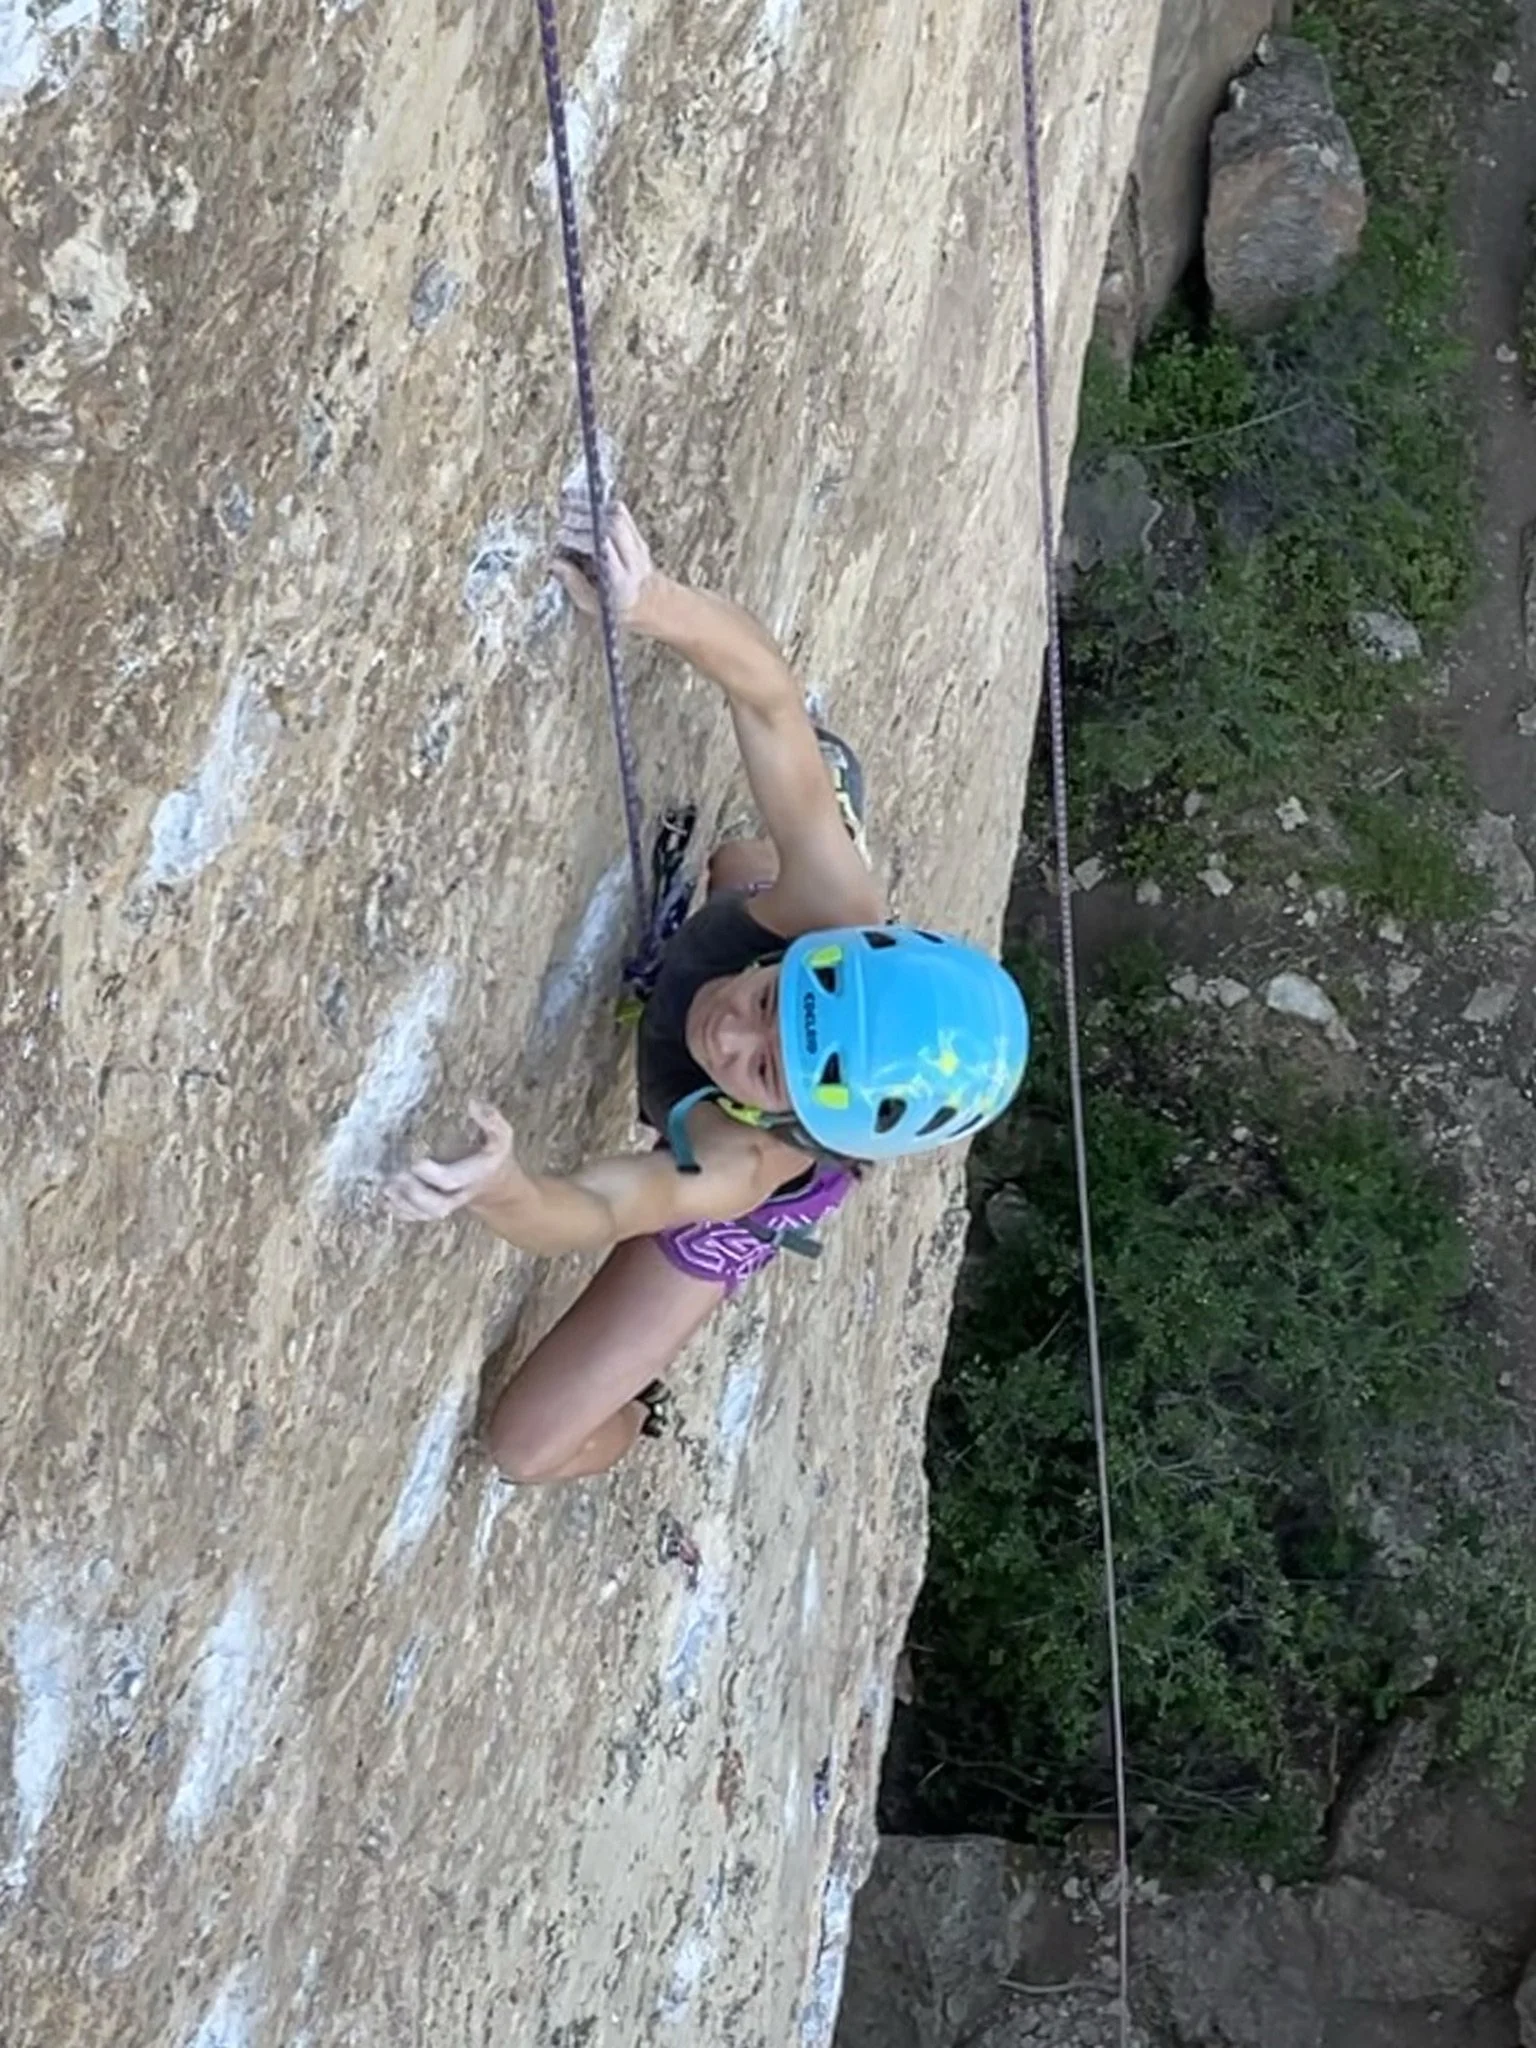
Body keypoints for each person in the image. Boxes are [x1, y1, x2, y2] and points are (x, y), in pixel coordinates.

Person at [387, 504, 1029, 1484]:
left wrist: (505, 1187)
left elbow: (600, 1205)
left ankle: (635, 1421)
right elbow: (769, 699)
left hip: (733, 1182)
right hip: (788, 921)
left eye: (767, 1063)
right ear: (834, 952)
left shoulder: (739, 1160)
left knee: (526, 1445)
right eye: (780, 997)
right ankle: (810, 824)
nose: (733, 1025)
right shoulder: (832, 910)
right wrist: (655, 604)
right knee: (757, 850)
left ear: (797, 1110)